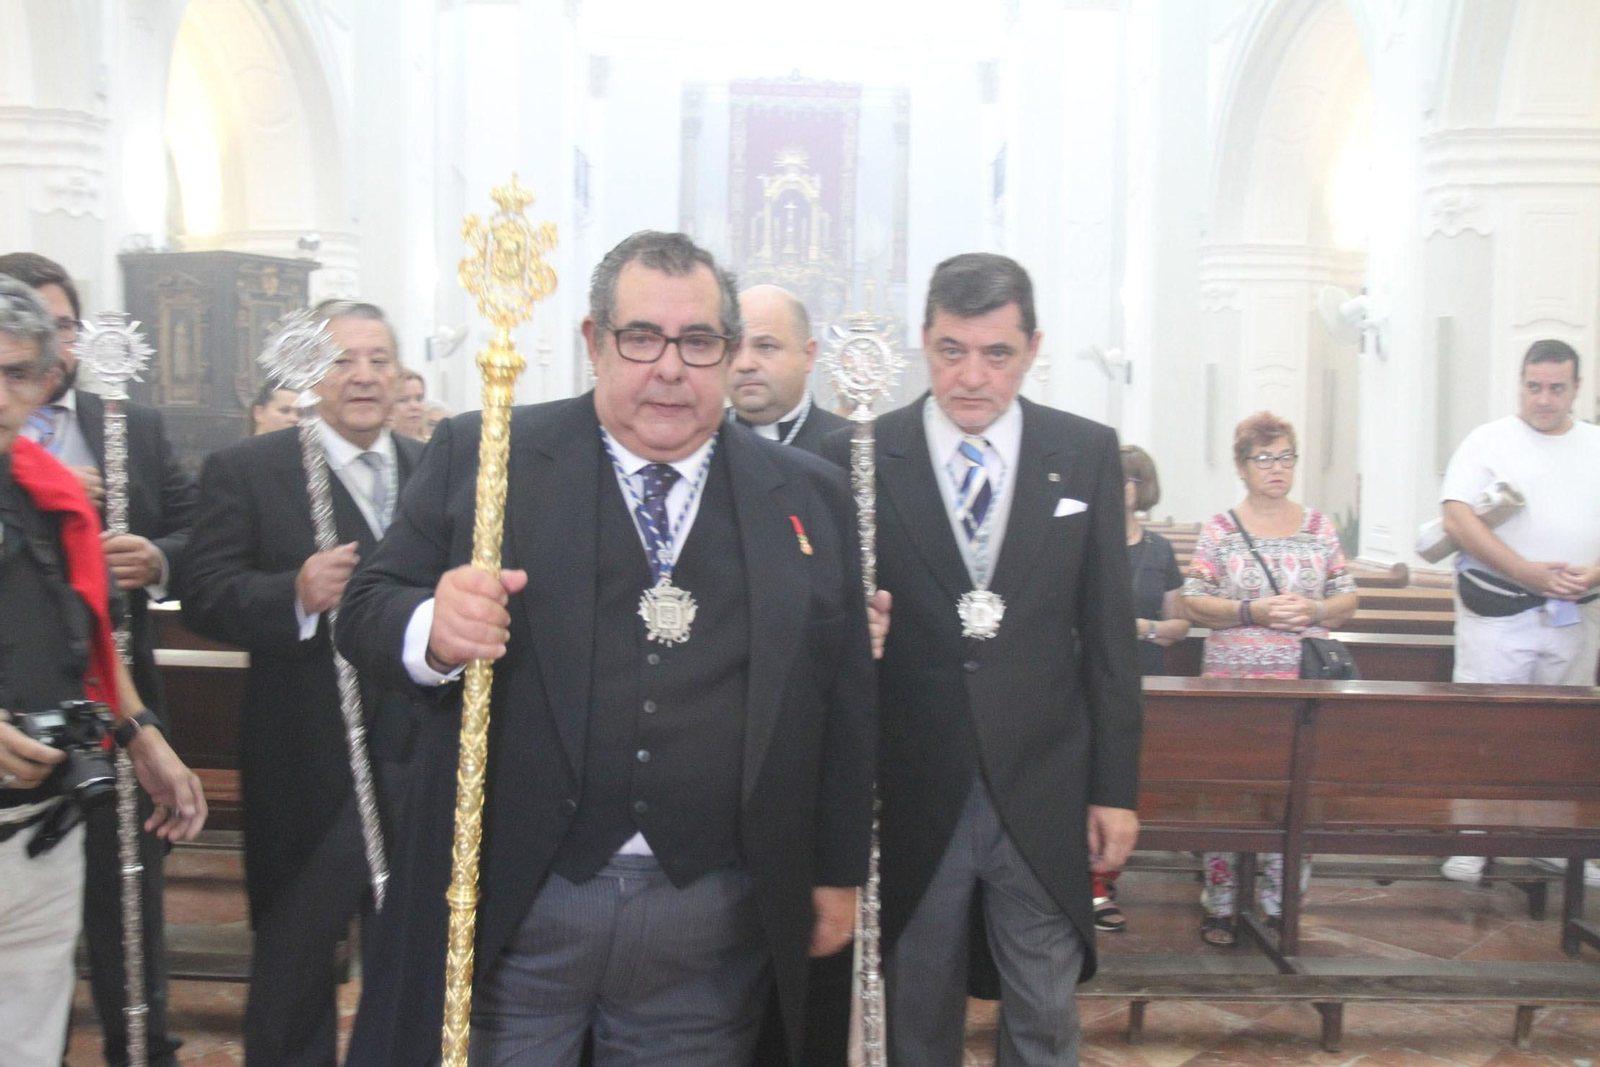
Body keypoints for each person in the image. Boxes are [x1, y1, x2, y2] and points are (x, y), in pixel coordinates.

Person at [334, 230, 878, 1067]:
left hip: (710, 916)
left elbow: (840, 693)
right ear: (595, 343)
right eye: (640, 337)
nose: (669, 367)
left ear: (728, 353)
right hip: (520, 898)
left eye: (698, 341)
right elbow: (366, 610)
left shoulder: (806, 496)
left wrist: (837, 870)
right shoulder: (491, 457)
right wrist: (433, 630)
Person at [823, 252, 1143, 1066]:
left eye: (996, 353)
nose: (972, 376)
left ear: (1033, 348)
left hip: (1040, 784)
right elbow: (822, 635)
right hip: (909, 785)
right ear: (923, 342)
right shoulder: (858, 454)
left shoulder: (1085, 452)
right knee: (915, 1007)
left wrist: (1115, 788)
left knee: (1043, 1005)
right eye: (951, 350)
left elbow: (1109, 638)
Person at [181, 299, 427, 1066]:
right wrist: (292, 593)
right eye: (343, 360)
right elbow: (205, 591)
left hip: (421, 759)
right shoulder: (251, 469)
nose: (362, 376)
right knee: (295, 961)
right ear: (310, 374)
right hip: (309, 760)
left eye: (378, 359)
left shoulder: (436, 467)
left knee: (410, 959)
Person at [0, 273, 206, 1067]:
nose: (4, 392)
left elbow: (88, 640)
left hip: (43, 828)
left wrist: (145, 735)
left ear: (47, 378)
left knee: (28, 1037)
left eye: (20, 373)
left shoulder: (54, 495)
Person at [1179, 411, 1359, 946]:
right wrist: (1250, 612)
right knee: (1227, 789)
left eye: (1285, 457)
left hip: (1301, 682)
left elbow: (1349, 599)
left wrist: (1317, 608)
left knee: (1297, 791)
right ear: (1241, 466)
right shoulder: (1222, 528)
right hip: (1232, 682)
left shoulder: (1320, 526)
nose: (1277, 468)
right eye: (1264, 458)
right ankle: (1223, 901)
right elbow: (1191, 601)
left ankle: (1284, 902)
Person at [1437, 340, 1600, 887]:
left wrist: (1592, 574)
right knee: (1490, 727)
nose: (1544, 398)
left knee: (1561, 734)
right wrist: (1524, 571)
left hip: (1575, 614)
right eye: (1534, 386)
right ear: (1521, 384)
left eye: (1557, 387)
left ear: (1577, 388)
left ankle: (1550, 842)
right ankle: (1474, 842)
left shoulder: (1595, 446)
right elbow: (1458, 519)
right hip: (1499, 610)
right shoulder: (1489, 442)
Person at [1089, 444, 1190, 935]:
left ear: (1135, 489)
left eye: (1122, 479)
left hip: (1144, 674)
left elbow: (1180, 624)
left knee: (1124, 778)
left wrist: (1144, 628)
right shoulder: (1086, 542)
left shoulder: (1160, 551)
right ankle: (1091, 884)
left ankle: (1108, 873)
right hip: (1087, 676)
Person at [725, 284, 849, 452]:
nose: (744, 364)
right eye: (733, 348)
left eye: (766, 347)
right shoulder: (698, 440)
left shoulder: (849, 446)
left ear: (808, 355)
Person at [393, 368, 427, 440]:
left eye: (419, 399)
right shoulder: (379, 448)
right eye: (403, 400)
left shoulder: (433, 447)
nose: (415, 406)